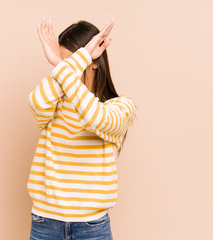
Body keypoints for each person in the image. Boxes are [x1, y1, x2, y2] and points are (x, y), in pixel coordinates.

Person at [27, 17, 136, 240]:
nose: (66, 70)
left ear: (94, 60)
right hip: (45, 222)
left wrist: (69, 62)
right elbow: (36, 102)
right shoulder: (53, 103)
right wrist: (75, 62)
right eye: (63, 64)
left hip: (92, 227)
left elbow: (95, 119)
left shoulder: (120, 107)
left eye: (74, 62)